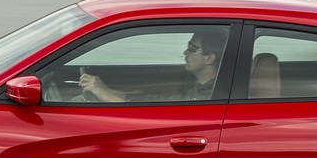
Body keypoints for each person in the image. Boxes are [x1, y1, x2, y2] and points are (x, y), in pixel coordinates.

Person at [77, 28, 227, 103]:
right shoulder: (202, 88)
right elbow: (163, 100)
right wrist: (109, 91)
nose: (185, 52)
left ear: (209, 58)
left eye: (192, 48)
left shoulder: (207, 98)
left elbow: (160, 114)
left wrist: (106, 95)